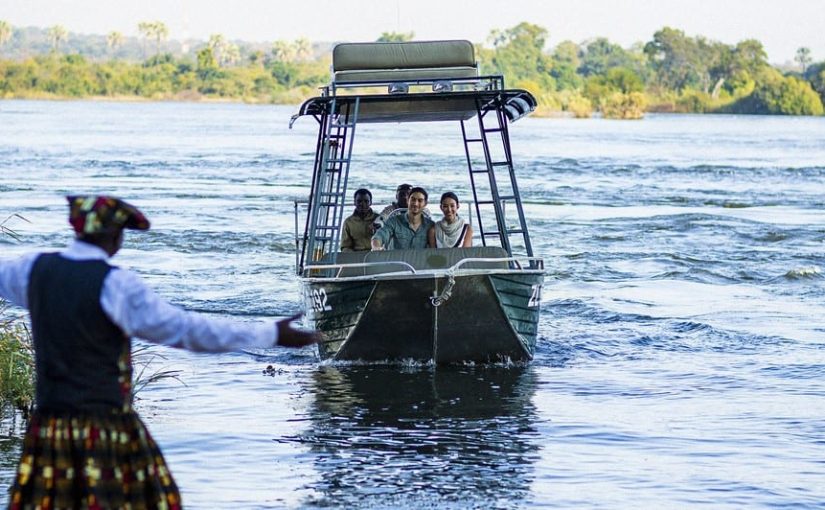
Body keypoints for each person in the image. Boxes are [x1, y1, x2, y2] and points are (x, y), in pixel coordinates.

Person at [0, 195, 320, 510]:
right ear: (114, 235)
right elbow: (188, 330)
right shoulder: (117, 285)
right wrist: (270, 333)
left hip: (50, 427)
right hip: (106, 429)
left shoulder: (32, 271)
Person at [371, 187, 434, 251]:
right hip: (397, 260)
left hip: (420, 260)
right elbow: (380, 236)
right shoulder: (394, 222)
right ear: (408, 200)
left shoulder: (430, 225)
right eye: (413, 199)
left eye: (420, 200)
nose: (415, 203)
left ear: (425, 204)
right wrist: (376, 247)